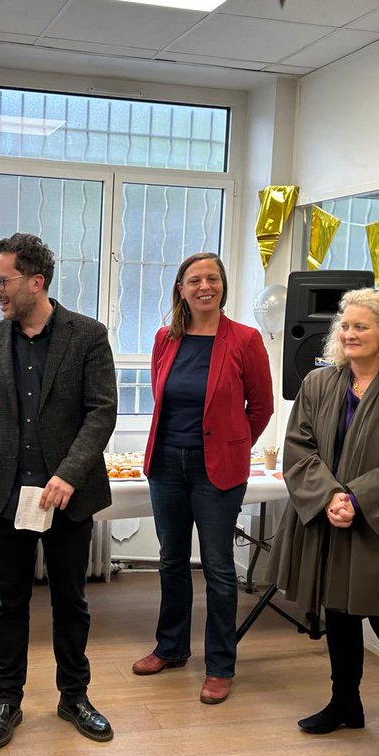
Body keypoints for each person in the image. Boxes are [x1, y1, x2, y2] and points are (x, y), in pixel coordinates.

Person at [0, 233, 117, 749]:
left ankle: (73, 696)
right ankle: (6, 699)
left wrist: (70, 473)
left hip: (66, 495)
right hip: (7, 493)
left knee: (70, 601)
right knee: (9, 603)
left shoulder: (88, 336)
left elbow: (102, 412)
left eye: (1, 280)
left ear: (36, 281)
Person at [269, 288, 379, 756]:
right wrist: (330, 498)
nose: (348, 334)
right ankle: (346, 705)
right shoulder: (320, 383)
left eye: (360, 326)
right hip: (329, 520)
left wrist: (357, 499)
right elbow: (298, 450)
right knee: (338, 617)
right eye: (344, 327)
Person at [131, 252, 273, 704]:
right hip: (167, 466)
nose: (204, 286)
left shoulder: (246, 340)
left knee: (217, 567)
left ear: (223, 286)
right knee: (171, 560)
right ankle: (170, 648)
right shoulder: (164, 339)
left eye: (212, 278)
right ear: (181, 288)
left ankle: (219, 666)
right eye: (195, 279)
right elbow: (162, 399)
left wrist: (232, 445)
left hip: (218, 471)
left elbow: (262, 406)